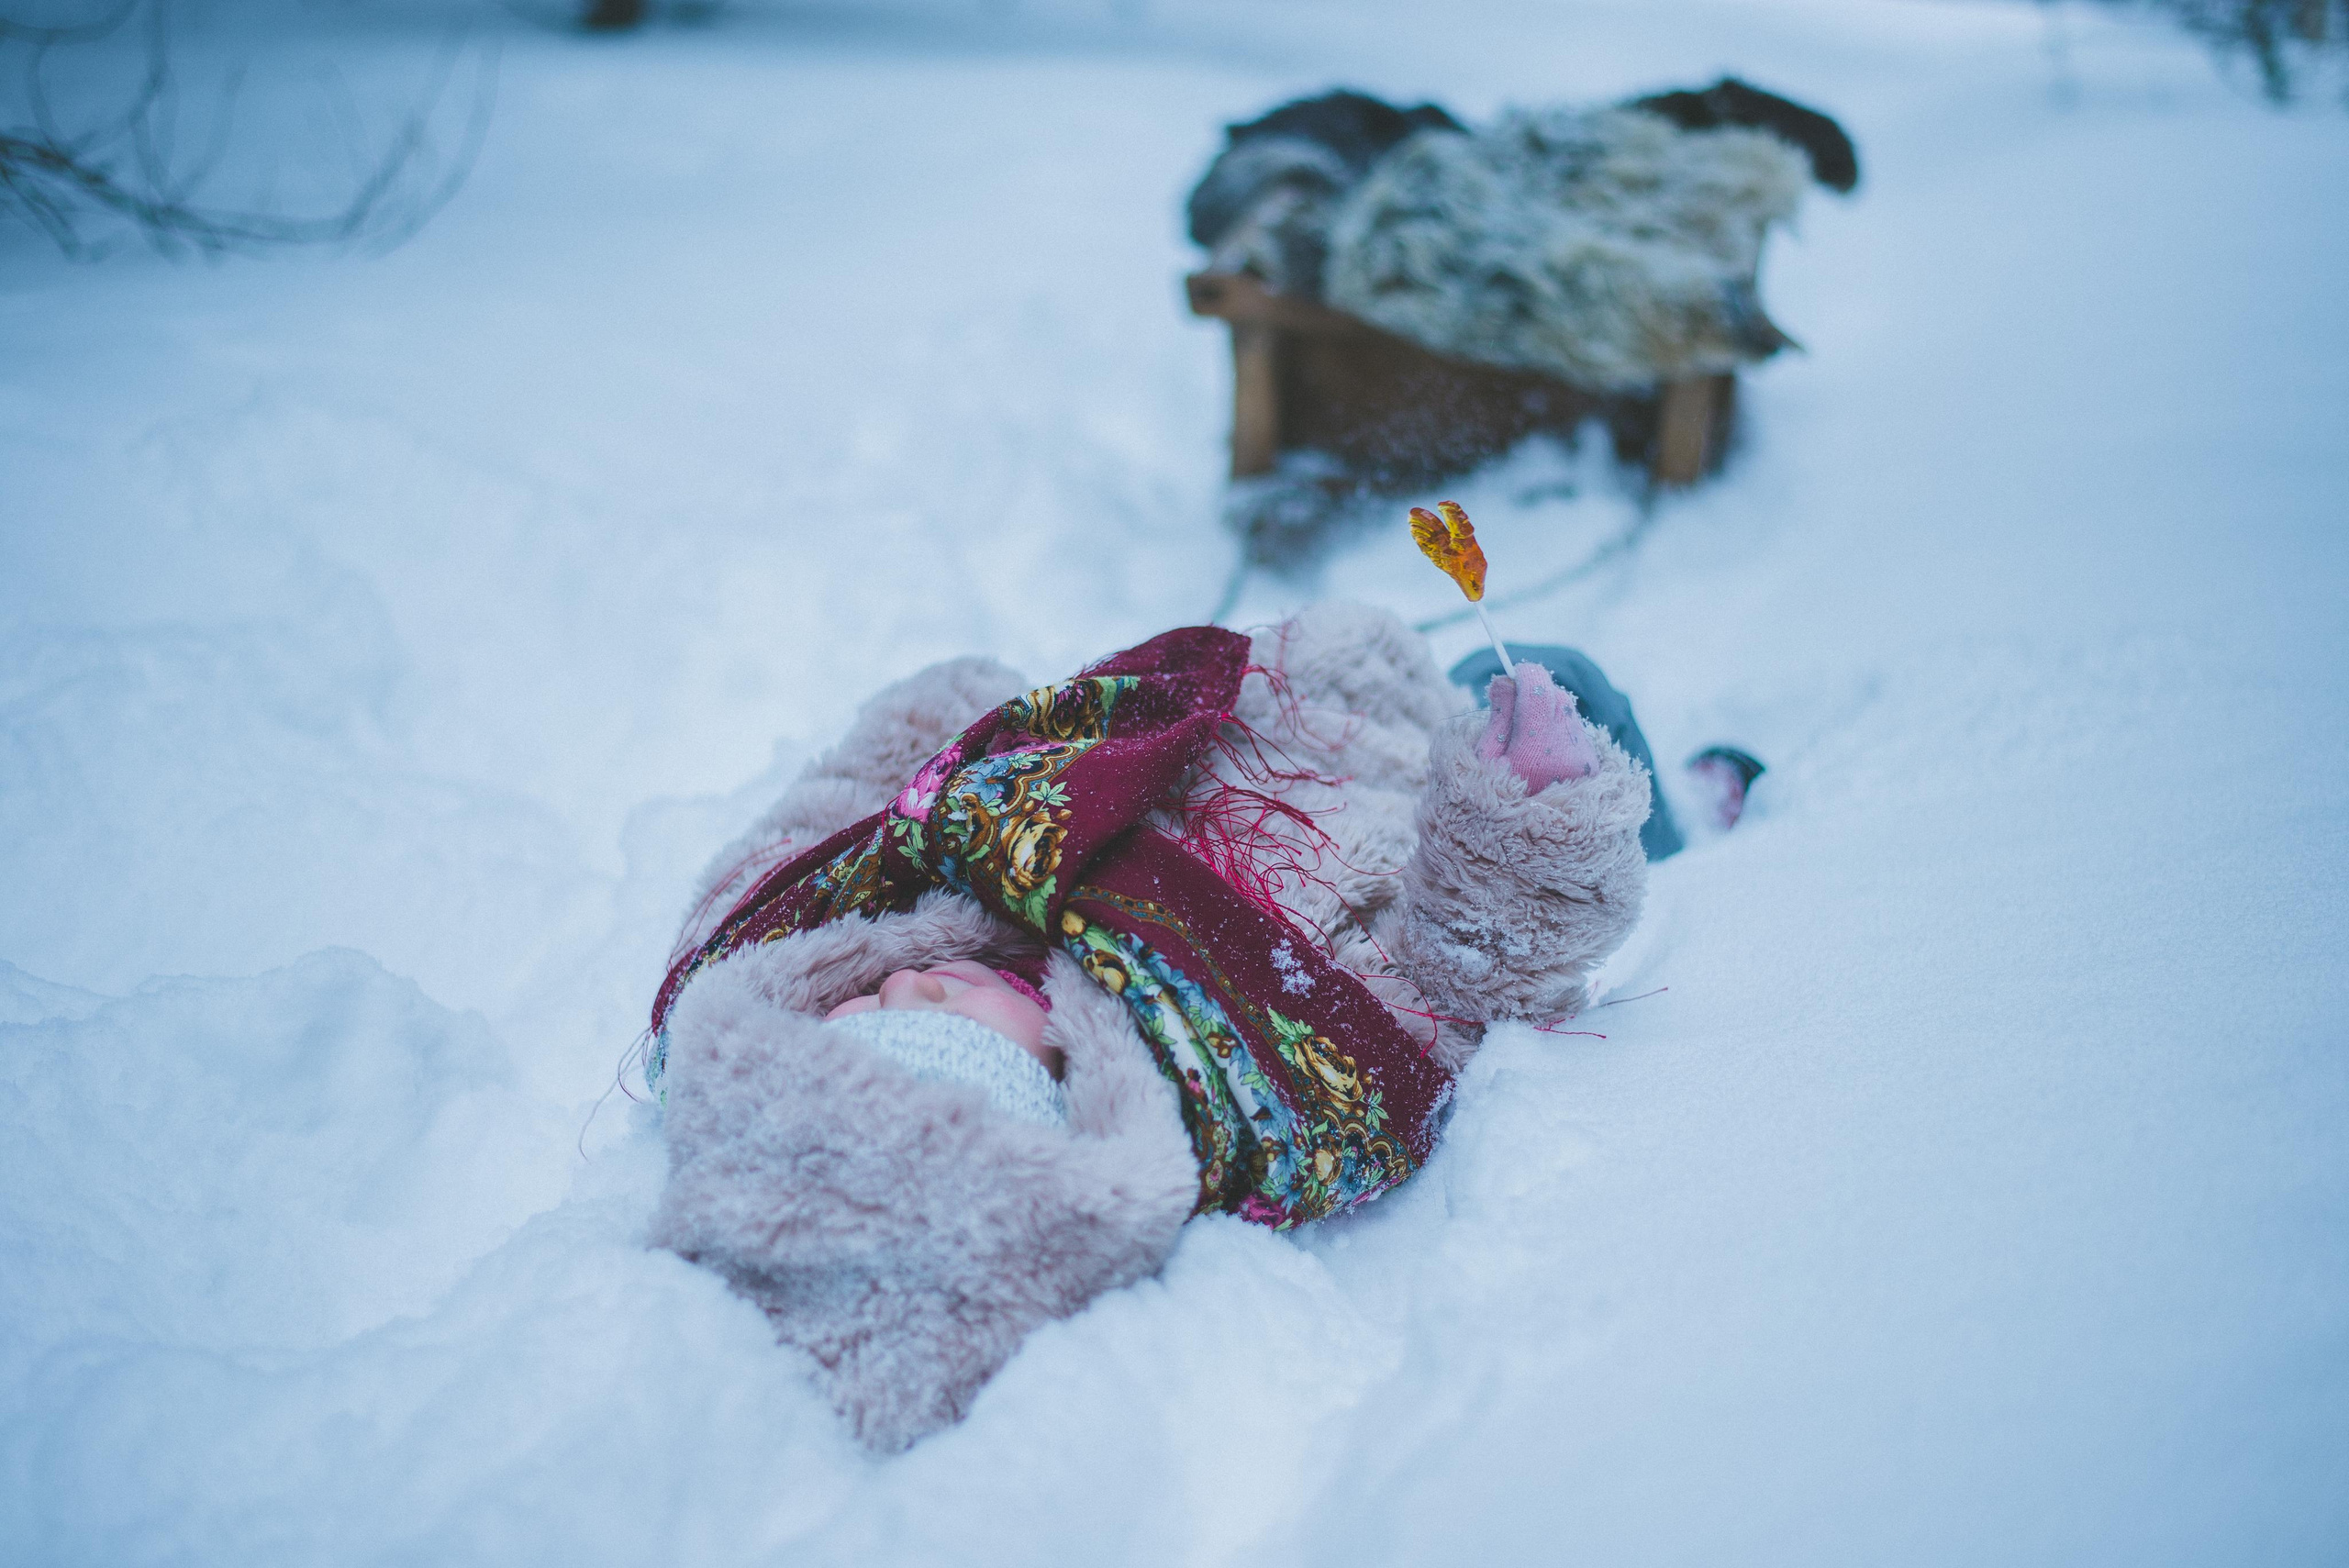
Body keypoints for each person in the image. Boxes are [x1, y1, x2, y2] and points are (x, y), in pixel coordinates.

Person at [642, 602, 1755, 1451]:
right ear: (1061, 1095)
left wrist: (951, 715)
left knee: (1471, 659)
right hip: (1420, 804)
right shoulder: (1265, 1076)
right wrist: (1530, 822)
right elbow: (1463, 971)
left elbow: (834, 796)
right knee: (1568, 695)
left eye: (852, 1023)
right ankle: (1678, 826)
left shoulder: (780, 939)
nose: (904, 987)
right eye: (943, 1042)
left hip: (1291, 698)